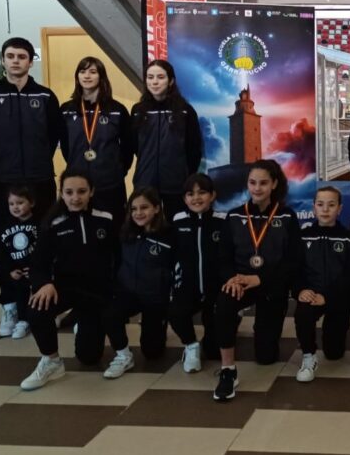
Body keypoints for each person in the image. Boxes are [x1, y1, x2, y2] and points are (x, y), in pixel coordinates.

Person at [0, 37, 61, 338]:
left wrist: (38, 161)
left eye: (21, 56)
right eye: (10, 56)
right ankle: (10, 304)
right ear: (3, 60)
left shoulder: (45, 96)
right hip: (4, 180)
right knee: (5, 243)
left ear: (30, 61)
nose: (16, 61)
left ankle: (39, 299)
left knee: (43, 238)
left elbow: (53, 136)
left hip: (40, 180)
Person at [213, 159, 302, 402]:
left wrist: (260, 279)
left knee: (266, 357)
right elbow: (223, 257)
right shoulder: (234, 215)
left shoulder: (287, 216)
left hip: (271, 284)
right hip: (241, 281)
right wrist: (231, 279)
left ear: (274, 184)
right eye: (252, 183)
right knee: (224, 304)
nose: (257, 188)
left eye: (263, 183)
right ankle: (228, 370)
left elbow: (292, 261)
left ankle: (260, 327)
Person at [21, 170, 117, 390]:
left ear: (91, 191)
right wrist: (44, 283)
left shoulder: (106, 218)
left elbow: (119, 258)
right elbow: (38, 263)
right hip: (64, 288)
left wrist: (114, 291)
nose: (75, 198)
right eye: (69, 192)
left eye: (82, 191)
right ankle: (52, 361)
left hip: (96, 293)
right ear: (61, 193)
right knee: (36, 309)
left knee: (89, 357)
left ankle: (79, 319)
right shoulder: (53, 223)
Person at [102, 187, 176, 379]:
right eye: (133, 209)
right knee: (109, 312)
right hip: (128, 293)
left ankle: (158, 326)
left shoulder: (169, 235)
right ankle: (123, 355)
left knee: (152, 353)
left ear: (157, 208)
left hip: (155, 298)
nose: (138, 213)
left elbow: (176, 267)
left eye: (144, 207)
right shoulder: (126, 233)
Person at [60, 56, 134, 228]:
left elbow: (128, 147)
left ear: (101, 77)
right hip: (77, 186)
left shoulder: (117, 110)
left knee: (113, 229)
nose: (87, 76)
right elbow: (65, 146)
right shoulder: (66, 110)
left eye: (93, 72)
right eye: (82, 71)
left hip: (110, 183)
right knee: (80, 229)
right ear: (77, 77)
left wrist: (118, 170)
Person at [294, 186, 350, 382]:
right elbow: (295, 269)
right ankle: (308, 355)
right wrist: (300, 290)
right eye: (320, 204)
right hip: (312, 294)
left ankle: (333, 333)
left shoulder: (349, 238)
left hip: (338, 297)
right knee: (303, 313)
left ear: (340, 209)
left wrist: (328, 297)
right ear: (314, 207)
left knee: (334, 353)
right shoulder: (303, 236)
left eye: (331, 205)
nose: (325, 209)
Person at [168, 173, 226, 372]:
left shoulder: (222, 221)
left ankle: (228, 323)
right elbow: (173, 255)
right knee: (175, 311)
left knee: (214, 352)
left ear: (212, 195)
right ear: (184, 198)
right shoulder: (178, 221)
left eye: (202, 192)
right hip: (188, 287)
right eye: (190, 194)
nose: (196, 198)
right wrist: (175, 284)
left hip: (214, 289)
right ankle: (191, 345)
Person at [130, 60, 202, 218]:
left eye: (160, 77)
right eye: (150, 77)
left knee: (175, 225)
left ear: (171, 81)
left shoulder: (185, 111)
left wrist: (186, 176)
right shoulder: (138, 111)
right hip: (145, 182)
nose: (154, 82)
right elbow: (133, 146)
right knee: (146, 225)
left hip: (176, 184)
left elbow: (194, 148)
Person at [0, 186, 40, 340]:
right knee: (20, 291)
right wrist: (10, 270)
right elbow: (3, 253)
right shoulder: (5, 227)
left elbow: (43, 249)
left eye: (20, 203)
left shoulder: (39, 224)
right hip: (17, 271)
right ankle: (22, 320)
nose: (15, 207)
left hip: (35, 270)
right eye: (11, 204)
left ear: (31, 203)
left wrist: (36, 268)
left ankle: (36, 318)